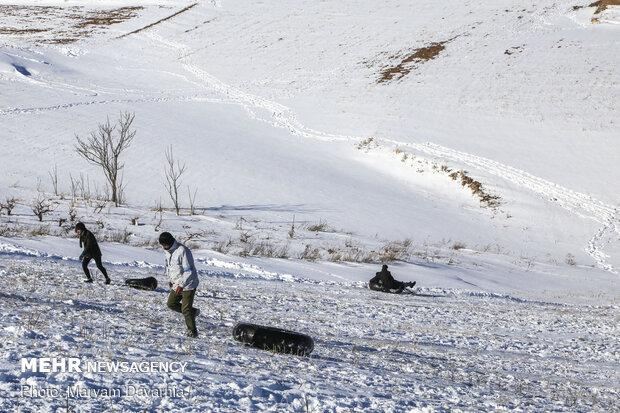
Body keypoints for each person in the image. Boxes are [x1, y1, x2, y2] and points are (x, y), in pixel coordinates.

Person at [159, 232, 200, 338]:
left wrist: (181, 285)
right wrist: (170, 279)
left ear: (170, 242)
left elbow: (188, 270)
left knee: (185, 309)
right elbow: (170, 266)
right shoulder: (167, 251)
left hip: (188, 283)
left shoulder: (183, 251)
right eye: (162, 245)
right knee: (171, 304)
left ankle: (192, 331)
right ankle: (193, 312)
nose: (163, 247)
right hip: (177, 282)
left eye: (165, 245)